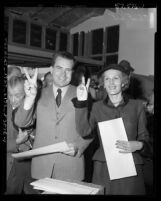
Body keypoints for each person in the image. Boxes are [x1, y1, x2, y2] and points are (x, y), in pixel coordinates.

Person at [14, 51, 92, 182]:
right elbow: (21, 122)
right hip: (42, 167)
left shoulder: (82, 93)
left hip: (71, 166)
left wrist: (78, 146)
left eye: (68, 70)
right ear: (51, 69)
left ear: (73, 72)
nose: (63, 74)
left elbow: (90, 131)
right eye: (59, 68)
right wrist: (30, 98)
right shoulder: (37, 93)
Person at [74, 63, 151, 195]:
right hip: (104, 168)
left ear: (123, 82)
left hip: (131, 168)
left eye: (116, 78)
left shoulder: (137, 106)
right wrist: (81, 103)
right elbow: (84, 132)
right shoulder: (96, 107)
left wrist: (138, 145)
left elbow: (145, 138)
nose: (111, 82)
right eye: (107, 79)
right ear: (103, 83)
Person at [6, 76, 37, 194]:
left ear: (26, 92)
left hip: (32, 164)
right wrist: (17, 142)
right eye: (9, 94)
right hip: (11, 165)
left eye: (17, 95)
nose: (13, 99)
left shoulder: (34, 108)